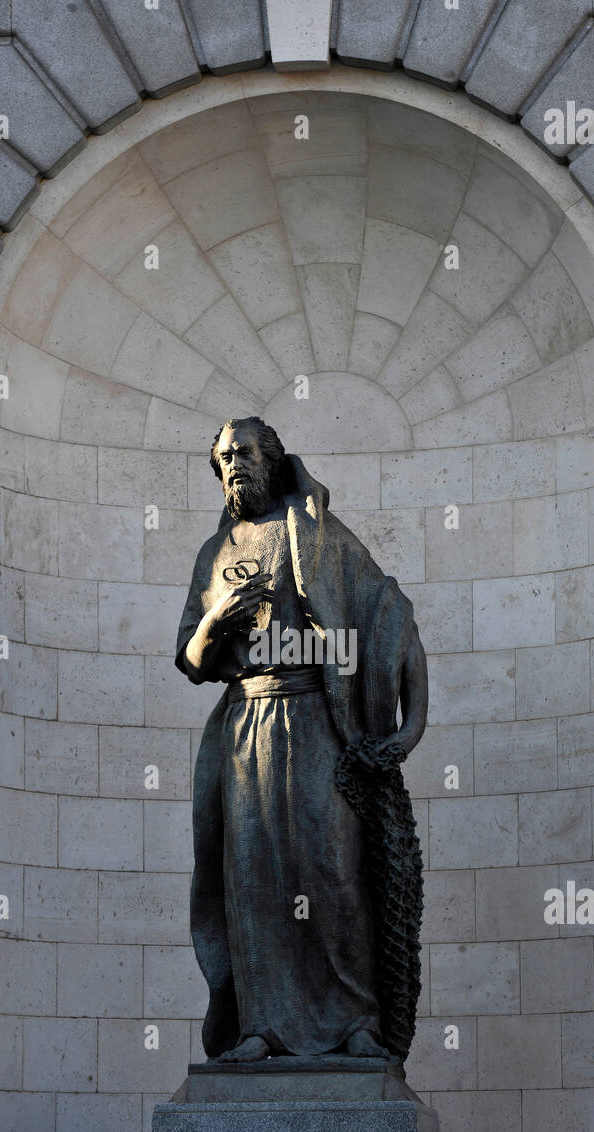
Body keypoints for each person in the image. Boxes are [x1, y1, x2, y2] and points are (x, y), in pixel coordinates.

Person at [176, 417, 428, 1063]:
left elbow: (388, 613)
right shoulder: (214, 553)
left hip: (318, 722)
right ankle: (261, 1025)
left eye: (244, 453)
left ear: (272, 459)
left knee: (333, 871)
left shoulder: (316, 534)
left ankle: (355, 1022)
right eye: (224, 457)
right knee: (253, 881)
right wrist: (217, 617)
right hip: (246, 731)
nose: (233, 465)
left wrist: (410, 728)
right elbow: (192, 660)